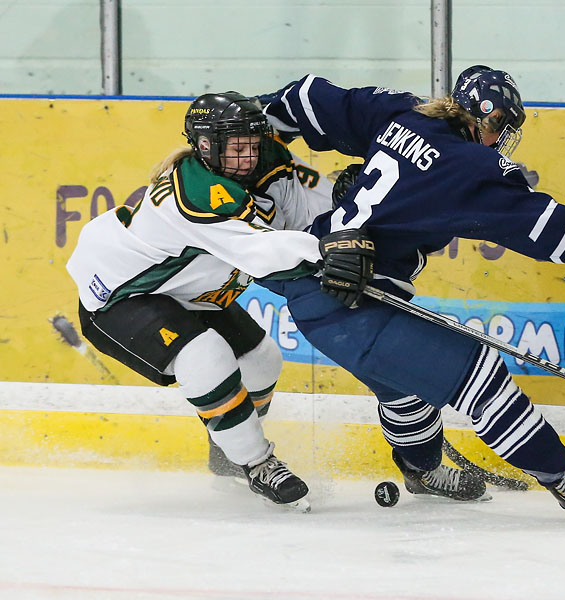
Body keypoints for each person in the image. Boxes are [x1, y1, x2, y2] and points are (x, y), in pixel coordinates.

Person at [254, 66, 565, 518]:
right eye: (502, 124)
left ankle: (422, 472)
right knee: (478, 374)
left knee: (407, 390)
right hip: (350, 304)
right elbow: (548, 232)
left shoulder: (400, 112)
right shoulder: (472, 167)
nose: (501, 137)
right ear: (484, 116)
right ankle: (562, 479)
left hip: (321, 281)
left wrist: (258, 123)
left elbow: (312, 98)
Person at [65, 92, 375, 511]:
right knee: (204, 355)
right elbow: (260, 254)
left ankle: (226, 450)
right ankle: (256, 462)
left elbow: (299, 211)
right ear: (206, 145)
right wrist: (326, 255)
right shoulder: (194, 196)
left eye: (252, 141)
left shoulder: (264, 157)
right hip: (121, 297)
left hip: (187, 293)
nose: (248, 154)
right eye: (236, 145)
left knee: (262, 358)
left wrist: (341, 202)